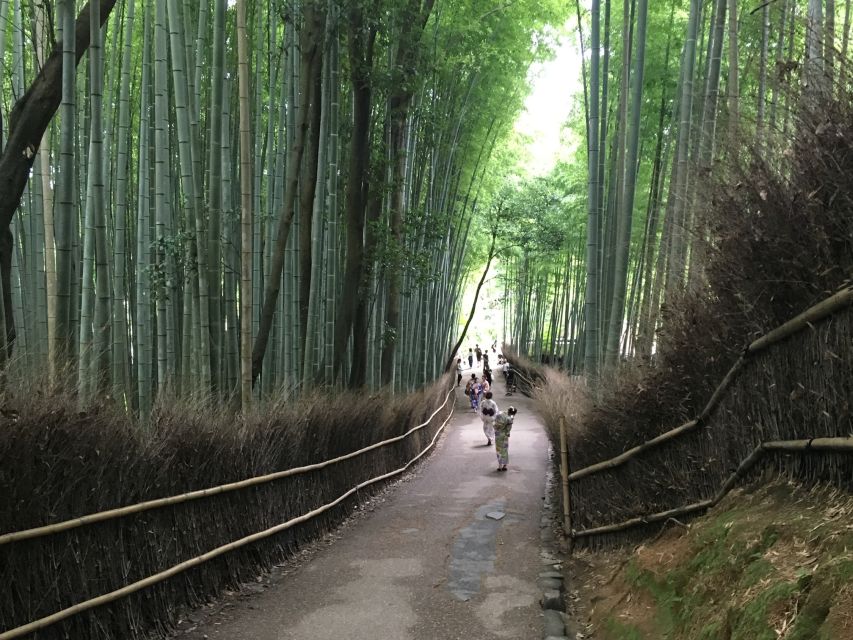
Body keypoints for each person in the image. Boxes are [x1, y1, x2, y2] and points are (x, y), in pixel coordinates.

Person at [493, 406, 517, 472]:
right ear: (514, 414)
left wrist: (496, 428)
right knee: (504, 450)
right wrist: (507, 433)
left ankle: (500, 465)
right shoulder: (510, 419)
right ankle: (505, 465)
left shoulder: (500, 413)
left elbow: (494, 423)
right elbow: (508, 429)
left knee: (498, 450)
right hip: (504, 435)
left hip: (498, 434)